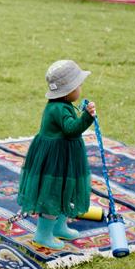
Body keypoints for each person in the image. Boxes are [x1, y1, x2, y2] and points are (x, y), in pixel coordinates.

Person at [16, 60, 96, 249]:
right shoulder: (58, 109)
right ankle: (43, 235)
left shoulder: (62, 105)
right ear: (68, 91)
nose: (80, 88)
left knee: (63, 192)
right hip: (56, 160)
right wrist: (86, 117)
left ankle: (59, 227)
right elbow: (71, 129)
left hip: (64, 157)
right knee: (53, 194)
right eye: (78, 85)